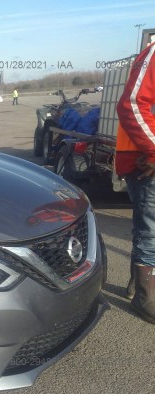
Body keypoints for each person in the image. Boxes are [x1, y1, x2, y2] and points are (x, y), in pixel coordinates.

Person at [115, 37, 155, 322]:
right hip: (146, 160)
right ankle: (146, 297)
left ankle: (138, 286)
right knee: (151, 232)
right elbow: (131, 104)